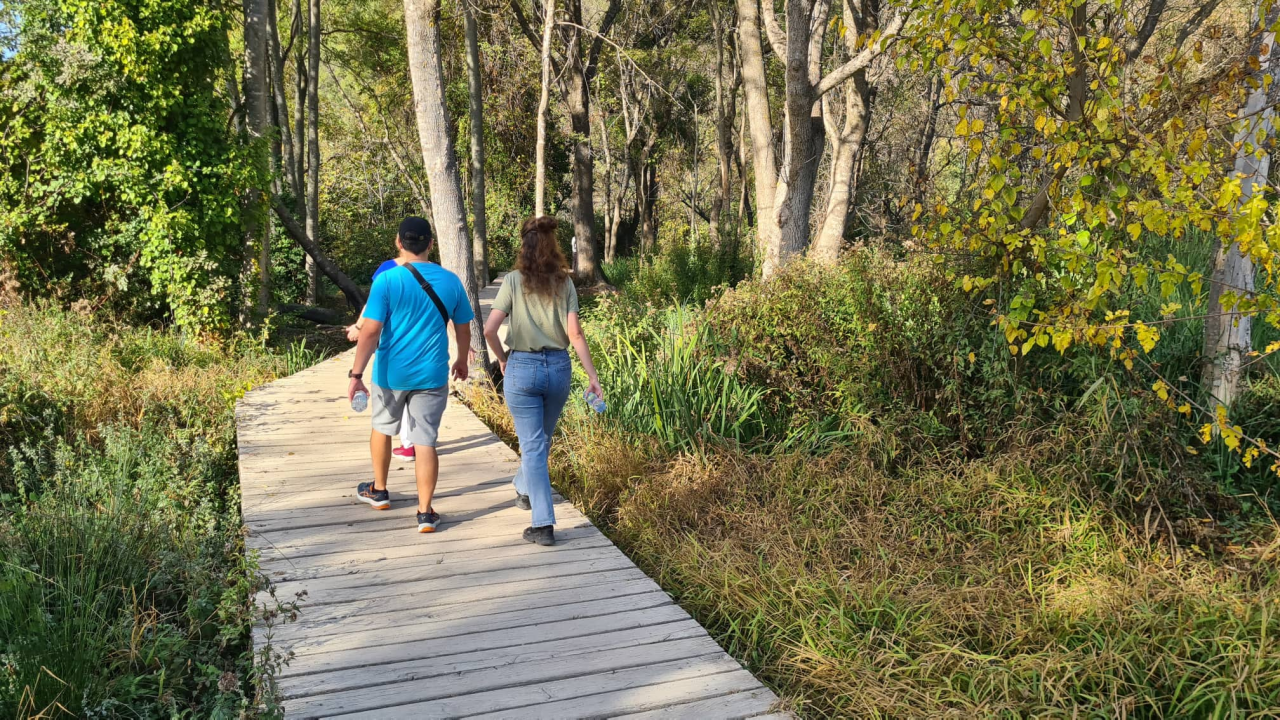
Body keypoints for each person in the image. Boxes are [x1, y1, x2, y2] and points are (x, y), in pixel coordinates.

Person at [347, 216, 473, 533]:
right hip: (431, 375)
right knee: (425, 441)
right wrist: (461, 360)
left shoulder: (387, 280)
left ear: (399, 242)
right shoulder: (451, 281)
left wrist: (356, 374)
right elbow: (463, 328)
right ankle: (425, 512)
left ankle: (379, 491)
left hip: (391, 374)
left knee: (382, 427)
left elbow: (370, 332)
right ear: (431, 243)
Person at [483, 216, 602, 547]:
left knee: (534, 444)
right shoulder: (564, 282)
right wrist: (592, 376)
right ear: (553, 246)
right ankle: (524, 488)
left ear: (524, 245)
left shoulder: (512, 281)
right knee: (540, 441)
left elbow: (490, 329)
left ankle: (543, 523)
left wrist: (502, 358)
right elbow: (575, 334)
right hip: (558, 368)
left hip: (522, 367)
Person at [347, 256, 416, 462]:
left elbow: (372, 303)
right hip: (423, 346)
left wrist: (358, 326)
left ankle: (408, 445)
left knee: (394, 400)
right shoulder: (433, 271)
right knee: (415, 395)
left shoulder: (388, 268)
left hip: (393, 344)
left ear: (399, 242)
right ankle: (413, 442)